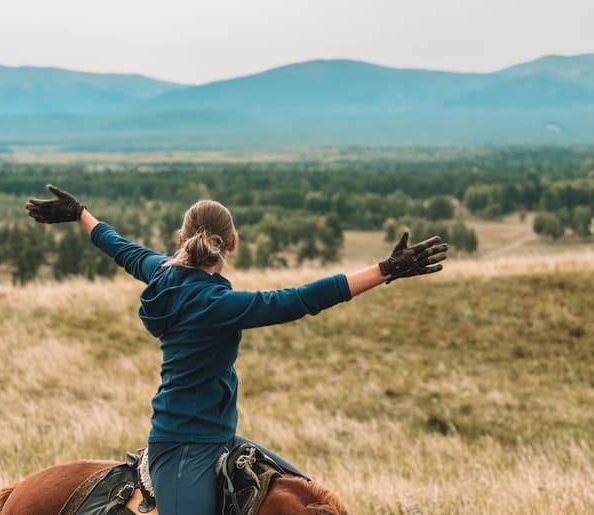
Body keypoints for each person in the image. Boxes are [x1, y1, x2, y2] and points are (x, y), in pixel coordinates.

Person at [26, 184, 447, 515]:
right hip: (182, 447)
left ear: (182, 239)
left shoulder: (160, 274)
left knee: (307, 492)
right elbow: (303, 298)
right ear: (232, 244)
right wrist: (385, 270)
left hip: (220, 438)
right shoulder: (221, 306)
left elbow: (119, 247)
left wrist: (79, 213)